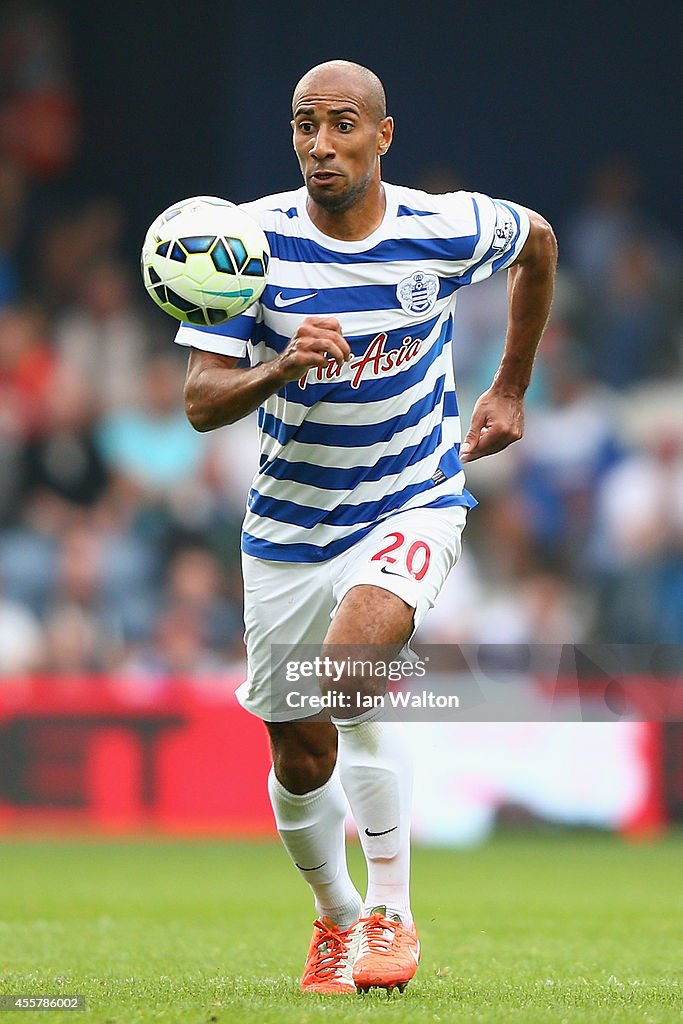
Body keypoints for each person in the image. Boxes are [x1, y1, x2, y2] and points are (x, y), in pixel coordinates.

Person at [175, 60, 557, 994]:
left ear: (383, 135)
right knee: (298, 752)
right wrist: (276, 371)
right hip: (287, 528)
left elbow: (537, 242)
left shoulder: (444, 225)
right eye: (303, 126)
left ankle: (391, 911)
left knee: (351, 673)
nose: (319, 145)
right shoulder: (250, 243)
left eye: (341, 125)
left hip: (410, 496)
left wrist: (509, 386)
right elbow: (198, 401)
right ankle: (337, 920)